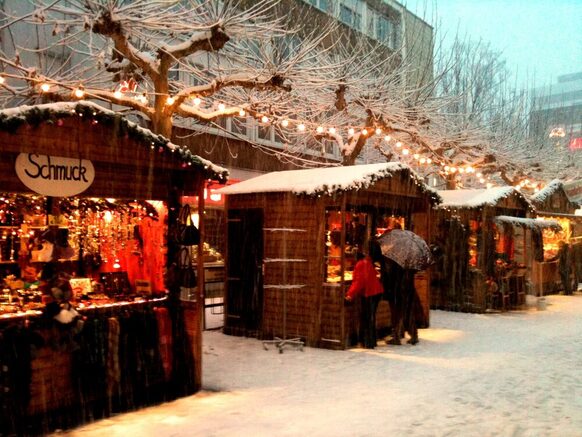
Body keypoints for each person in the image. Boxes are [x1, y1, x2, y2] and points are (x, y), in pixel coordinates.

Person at [345, 251, 383, 349]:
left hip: (370, 293)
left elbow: (359, 282)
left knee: (367, 317)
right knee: (371, 317)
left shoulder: (360, 264)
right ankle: (371, 340)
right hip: (376, 292)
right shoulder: (367, 262)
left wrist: (350, 294)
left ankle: (368, 342)